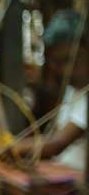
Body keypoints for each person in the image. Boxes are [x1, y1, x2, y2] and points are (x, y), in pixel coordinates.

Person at [19, 9, 88, 171]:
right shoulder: (73, 89)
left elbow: (57, 143)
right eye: (57, 62)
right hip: (63, 179)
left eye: (69, 60)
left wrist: (11, 148)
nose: (63, 70)